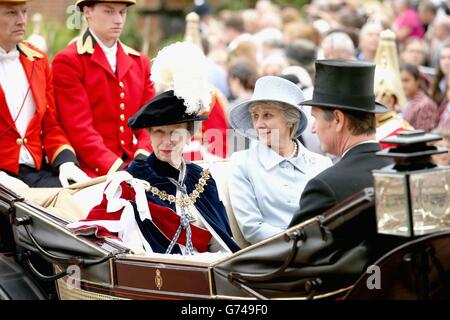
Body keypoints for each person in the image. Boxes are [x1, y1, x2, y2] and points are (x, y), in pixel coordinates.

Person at [69, 42, 240, 255]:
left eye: (175, 132)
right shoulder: (131, 179)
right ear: (149, 134)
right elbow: (101, 231)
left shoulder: (203, 180)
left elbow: (222, 243)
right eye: (159, 132)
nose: (167, 141)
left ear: (189, 135)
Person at [52, 0, 156, 177]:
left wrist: (142, 159)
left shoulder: (140, 62)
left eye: (122, 13)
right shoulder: (69, 61)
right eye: (109, 12)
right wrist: (120, 170)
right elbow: (80, 131)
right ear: (87, 12)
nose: (118, 20)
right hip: (93, 172)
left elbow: (150, 122)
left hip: (136, 165)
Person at [228, 76, 332, 244]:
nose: (259, 124)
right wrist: (302, 243)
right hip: (273, 261)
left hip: (319, 256)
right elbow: (252, 229)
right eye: (255, 116)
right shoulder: (242, 163)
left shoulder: (321, 165)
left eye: (267, 115)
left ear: (290, 119)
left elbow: (329, 220)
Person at [289, 60, 393, 227]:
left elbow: (293, 249)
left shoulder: (325, 186)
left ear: (338, 119)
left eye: (315, 118)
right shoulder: (399, 169)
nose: (313, 129)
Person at [0, 0, 88, 188]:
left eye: (24, 12)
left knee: (81, 205)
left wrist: (66, 162)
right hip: (2, 177)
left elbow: (51, 126)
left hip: (35, 173)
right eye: (11, 13)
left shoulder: (38, 61)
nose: (22, 20)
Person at [400, 63, 439, 132]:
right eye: (399, 81)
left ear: (417, 81)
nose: (402, 85)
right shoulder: (399, 101)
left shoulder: (425, 104)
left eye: (406, 81)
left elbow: (424, 135)